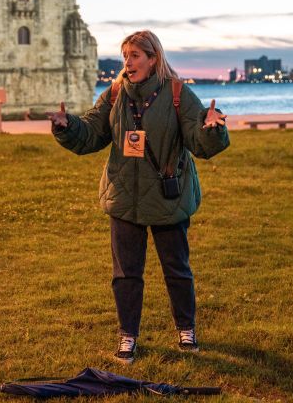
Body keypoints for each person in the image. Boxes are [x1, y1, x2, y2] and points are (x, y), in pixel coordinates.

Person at [47, 30, 229, 364]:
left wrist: (212, 128)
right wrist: (66, 125)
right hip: (124, 196)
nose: (128, 62)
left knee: (177, 269)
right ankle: (128, 336)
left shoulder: (177, 93)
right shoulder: (115, 93)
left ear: (153, 58)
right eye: (125, 55)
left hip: (167, 194)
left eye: (134, 55)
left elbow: (197, 140)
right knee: (126, 273)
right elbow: (90, 133)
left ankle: (186, 330)